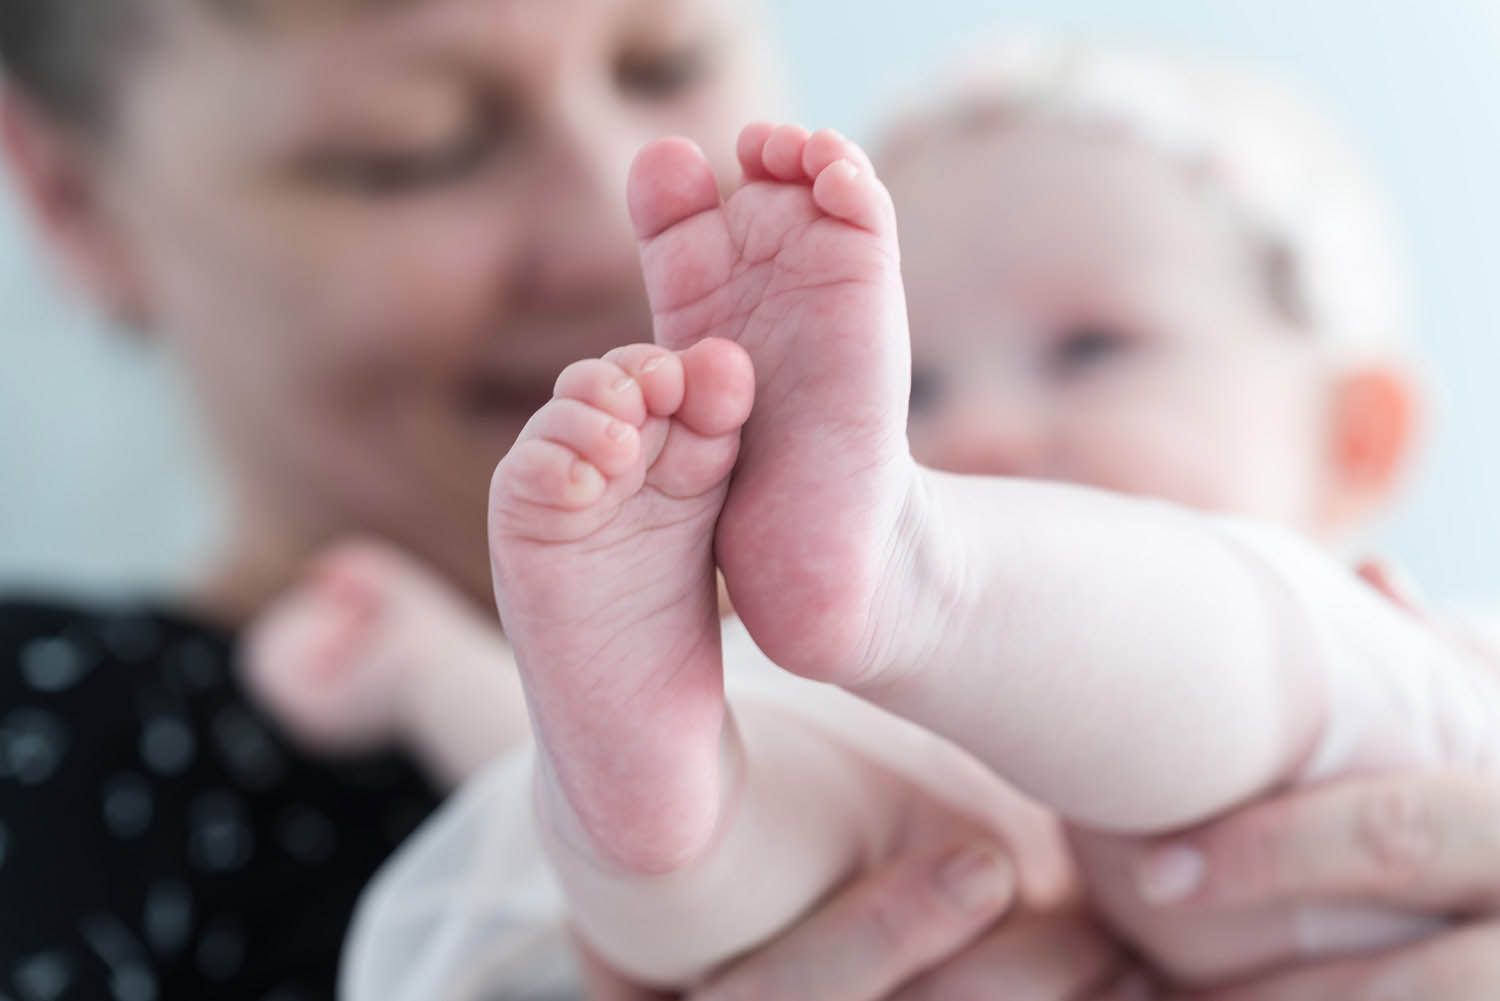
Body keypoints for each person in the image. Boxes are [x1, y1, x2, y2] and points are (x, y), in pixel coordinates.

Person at [0, 4, 1491, 997]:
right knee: (756, 797)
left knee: (1299, 652)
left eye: (662, 65)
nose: (977, 423)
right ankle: (683, 814)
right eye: (412, 151)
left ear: (1357, 432)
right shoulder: (63, 754)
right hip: (888, 795)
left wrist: (411, 665)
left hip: (1266, 829)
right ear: (67, 196)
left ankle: (774, 727)